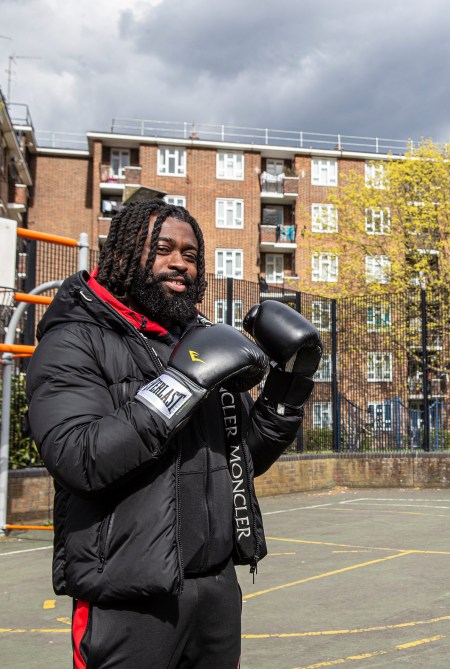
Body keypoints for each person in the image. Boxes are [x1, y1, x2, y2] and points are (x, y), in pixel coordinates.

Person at [26, 199, 321, 668]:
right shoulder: (73, 340)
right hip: (129, 597)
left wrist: (290, 385)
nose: (179, 262)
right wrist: (179, 385)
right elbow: (79, 459)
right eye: (162, 248)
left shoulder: (195, 340)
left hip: (215, 589)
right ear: (122, 255)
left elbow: (240, 458)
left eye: (190, 254)